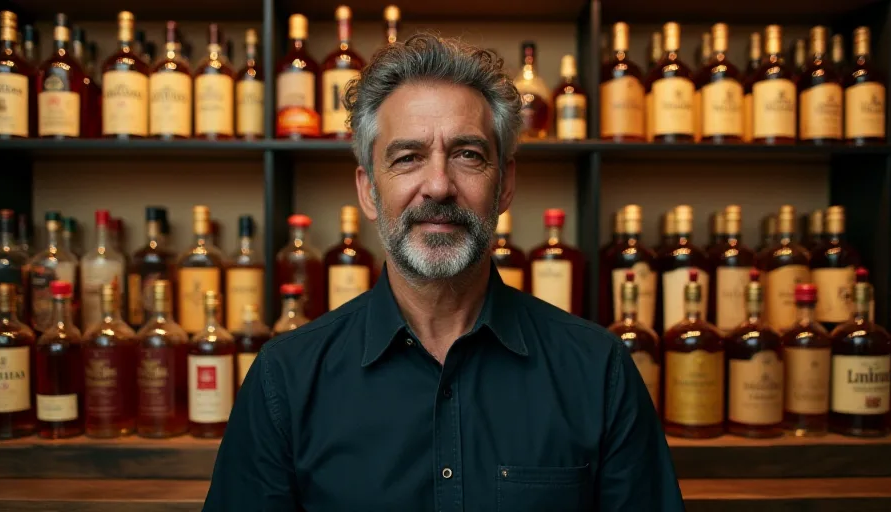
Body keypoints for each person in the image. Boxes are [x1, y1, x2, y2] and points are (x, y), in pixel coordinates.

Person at [204, 33, 684, 511]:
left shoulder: (599, 370)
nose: (438, 185)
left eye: (468, 155)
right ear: (369, 191)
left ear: (506, 185)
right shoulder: (284, 379)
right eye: (408, 157)